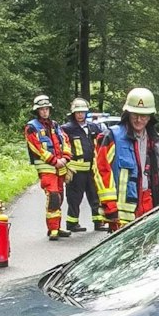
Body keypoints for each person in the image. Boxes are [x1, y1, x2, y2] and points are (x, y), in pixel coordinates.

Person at [93, 87, 159, 230]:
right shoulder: (112, 137)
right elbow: (101, 171)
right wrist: (110, 205)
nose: (139, 120)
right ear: (128, 114)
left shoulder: (154, 141)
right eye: (135, 115)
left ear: (150, 117)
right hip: (121, 214)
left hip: (149, 204)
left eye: (143, 116)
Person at [23, 94, 72, 240]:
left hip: (60, 166)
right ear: (37, 111)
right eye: (42, 109)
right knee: (53, 196)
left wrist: (65, 158)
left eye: (46, 109)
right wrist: (54, 160)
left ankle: (57, 226)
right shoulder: (31, 127)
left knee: (60, 196)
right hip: (47, 167)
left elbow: (65, 140)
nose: (44, 112)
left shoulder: (55, 125)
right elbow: (36, 147)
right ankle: (53, 230)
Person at [59, 98, 99, 232]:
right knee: (74, 197)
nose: (80, 115)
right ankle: (72, 223)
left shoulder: (93, 127)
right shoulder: (67, 129)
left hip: (92, 169)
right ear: (73, 113)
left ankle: (98, 221)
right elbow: (62, 147)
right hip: (76, 170)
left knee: (95, 195)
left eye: (82, 112)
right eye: (78, 112)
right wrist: (66, 167)